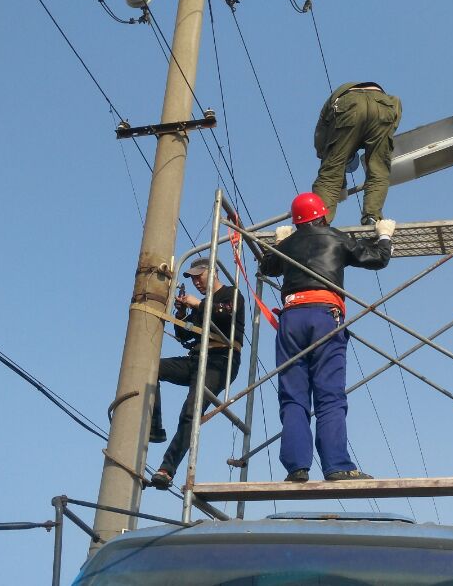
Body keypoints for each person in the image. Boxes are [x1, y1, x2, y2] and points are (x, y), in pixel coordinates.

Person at [259, 192, 396, 482]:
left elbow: (266, 267)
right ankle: (336, 466)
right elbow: (377, 259)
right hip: (324, 316)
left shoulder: (289, 244)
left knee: (293, 395)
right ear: (322, 215)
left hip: (291, 318)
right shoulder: (336, 237)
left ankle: (296, 467)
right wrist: (384, 236)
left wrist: (279, 244)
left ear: (296, 222)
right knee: (329, 394)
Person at [148, 257, 245, 490]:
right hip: (196, 358)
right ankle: (155, 427)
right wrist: (181, 313)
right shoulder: (201, 305)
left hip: (220, 361)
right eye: (193, 279)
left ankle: (167, 469)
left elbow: (226, 313)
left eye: (199, 277)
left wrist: (198, 305)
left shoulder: (231, 294)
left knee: (190, 412)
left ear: (213, 272)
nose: (196, 283)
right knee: (151, 368)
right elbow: (184, 335)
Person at [312, 81, 402, 225]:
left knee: (330, 172)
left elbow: (325, 153)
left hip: (349, 104)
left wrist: (340, 186)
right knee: (378, 169)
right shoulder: (392, 101)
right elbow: (395, 107)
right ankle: (372, 217)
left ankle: (319, 222)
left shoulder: (327, 113)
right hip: (384, 104)